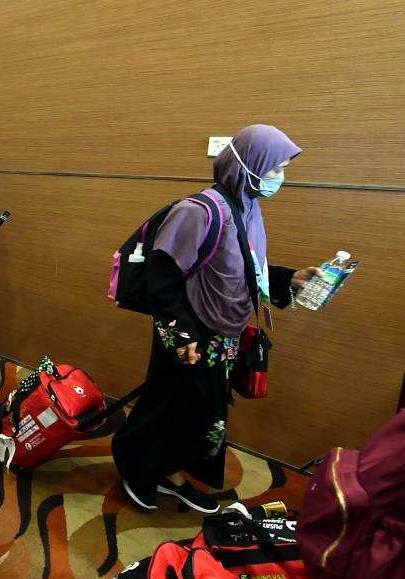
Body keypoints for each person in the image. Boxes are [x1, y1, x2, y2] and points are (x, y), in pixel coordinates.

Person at [112, 124, 324, 514]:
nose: (280, 178)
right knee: (166, 404)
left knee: (196, 412)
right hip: (190, 333)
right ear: (249, 166)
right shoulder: (199, 211)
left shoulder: (247, 209)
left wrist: (288, 278)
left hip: (221, 334)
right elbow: (163, 277)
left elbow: (242, 268)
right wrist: (182, 336)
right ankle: (135, 467)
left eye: (282, 169)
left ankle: (169, 473)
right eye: (274, 168)